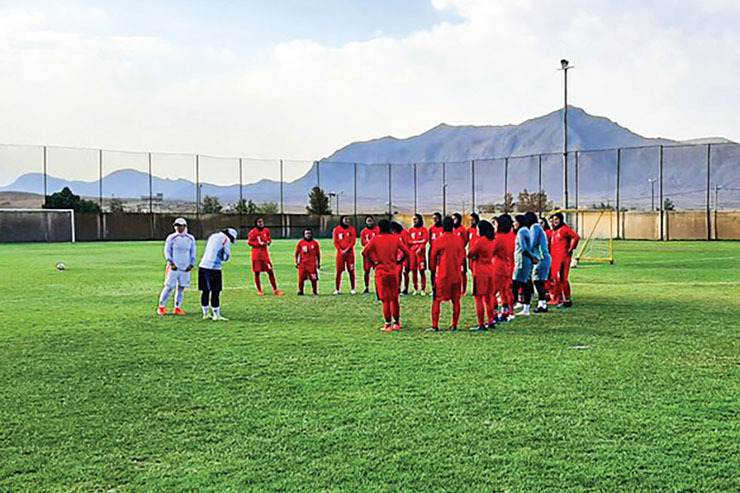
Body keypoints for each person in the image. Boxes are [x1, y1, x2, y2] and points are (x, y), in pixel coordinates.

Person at [362, 219, 410, 332]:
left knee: (385, 299)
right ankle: (397, 323)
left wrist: (374, 262)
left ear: (379, 228)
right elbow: (407, 252)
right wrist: (399, 261)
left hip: (381, 271)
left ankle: (388, 324)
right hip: (393, 270)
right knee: (394, 298)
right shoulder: (395, 239)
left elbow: (365, 252)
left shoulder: (375, 239)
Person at [427, 216, 466, 332]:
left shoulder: (439, 240)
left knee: (436, 299)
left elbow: (432, 257)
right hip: (456, 274)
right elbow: (463, 256)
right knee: (456, 300)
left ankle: (435, 325)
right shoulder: (459, 240)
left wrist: (433, 271)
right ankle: (454, 325)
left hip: (443, 275)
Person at [157, 217, 196, 315]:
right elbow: (167, 251)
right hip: (174, 267)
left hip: (185, 267)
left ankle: (177, 307)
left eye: (180, 226)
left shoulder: (190, 238)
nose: (178, 228)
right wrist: (170, 262)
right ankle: (161, 307)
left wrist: (192, 264)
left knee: (181, 287)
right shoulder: (171, 238)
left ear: (185, 226)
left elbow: (193, 252)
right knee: (169, 287)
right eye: (176, 226)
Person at [198, 227, 237, 321]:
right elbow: (226, 256)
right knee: (215, 291)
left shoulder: (213, 235)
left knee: (205, 291)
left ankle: (206, 313)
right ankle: (216, 315)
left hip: (203, 265)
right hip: (214, 268)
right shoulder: (225, 239)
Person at [468, 220, 497, 331]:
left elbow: (471, 253)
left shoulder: (480, 241)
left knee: (479, 298)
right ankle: (490, 320)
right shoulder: (492, 240)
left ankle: (481, 323)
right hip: (490, 270)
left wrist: (475, 257)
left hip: (480, 271)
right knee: (489, 298)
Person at [549, 212, 580, 307]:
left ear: (561, 220)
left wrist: (571, 248)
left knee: (562, 278)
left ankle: (566, 298)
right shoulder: (555, 230)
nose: (555, 222)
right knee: (555, 278)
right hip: (554, 257)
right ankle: (557, 298)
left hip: (563, 257)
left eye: (557, 219)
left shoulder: (564, 229)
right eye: (553, 220)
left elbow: (576, 237)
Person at [247, 218, 284, 296]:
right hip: (256, 255)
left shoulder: (266, 230)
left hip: (265, 256)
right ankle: (259, 290)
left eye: (262, 222)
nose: (261, 223)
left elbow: (269, 239)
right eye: (259, 222)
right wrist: (258, 243)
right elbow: (249, 242)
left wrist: (268, 242)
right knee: (257, 273)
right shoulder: (253, 232)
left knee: (270, 271)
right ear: (256, 223)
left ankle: (275, 289)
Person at [512, 214, 538, 316]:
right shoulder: (526, 230)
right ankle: (524, 306)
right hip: (525, 260)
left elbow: (524, 248)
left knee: (517, 283)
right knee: (525, 282)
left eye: (515, 222)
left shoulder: (522, 231)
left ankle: (513, 306)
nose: (514, 224)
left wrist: (532, 257)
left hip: (522, 261)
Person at [526, 211, 551, 313]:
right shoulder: (538, 227)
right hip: (543, 257)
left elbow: (532, 242)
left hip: (540, 258)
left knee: (538, 281)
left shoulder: (535, 227)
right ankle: (542, 303)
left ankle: (542, 304)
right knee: (539, 281)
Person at [493, 214, 516, 321]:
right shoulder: (512, 236)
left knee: (492, 291)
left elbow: (491, 251)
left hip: (498, 266)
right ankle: (508, 311)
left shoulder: (498, 238)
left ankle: (494, 313)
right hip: (509, 265)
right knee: (506, 290)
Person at [333, 215, 357, 295]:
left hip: (350, 254)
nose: (347, 221)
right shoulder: (337, 230)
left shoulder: (352, 229)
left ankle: (353, 288)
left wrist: (347, 250)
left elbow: (353, 241)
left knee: (351, 271)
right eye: (346, 219)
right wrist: (340, 250)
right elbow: (335, 242)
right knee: (339, 271)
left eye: (348, 219)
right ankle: (337, 289)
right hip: (340, 254)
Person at [295, 228, 321, 296]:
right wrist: (296, 262)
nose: (308, 235)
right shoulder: (301, 243)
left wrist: (318, 263)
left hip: (312, 264)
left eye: (309, 233)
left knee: (314, 279)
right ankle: (301, 291)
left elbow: (318, 254)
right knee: (301, 279)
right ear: (304, 234)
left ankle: (314, 292)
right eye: (306, 233)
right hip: (303, 264)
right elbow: (297, 253)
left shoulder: (315, 243)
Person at [408, 213, 429, 295]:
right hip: (412, 253)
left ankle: (423, 289)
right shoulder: (411, 230)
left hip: (421, 254)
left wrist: (420, 247)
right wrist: (417, 241)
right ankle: (415, 288)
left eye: (415, 219)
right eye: (413, 219)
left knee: (422, 271)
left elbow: (425, 240)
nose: (414, 221)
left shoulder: (423, 230)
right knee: (413, 271)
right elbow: (409, 241)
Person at [360, 216, 380, 294]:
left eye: (370, 221)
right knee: (366, 271)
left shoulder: (377, 230)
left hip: (376, 254)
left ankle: (378, 286)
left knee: (378, 271)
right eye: (368, 221)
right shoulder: (363, 232)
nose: (369, 222)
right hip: (368, 255)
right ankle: (366, 287)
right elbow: (362, 242)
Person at [391, 221, 412, 295]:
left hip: (405, 256)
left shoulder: (404, 233)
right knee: (397, 273)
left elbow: (407, 245)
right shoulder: (393, 234)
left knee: (405, 272)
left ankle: (406, 289)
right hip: (397, 257)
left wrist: (403, 255)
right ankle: (398, 288)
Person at [452, 212, 469, 295]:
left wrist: (461, 248)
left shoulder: (462, 229)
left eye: (454, 219)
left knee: (462, 273)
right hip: (453, 255)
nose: (453, 221)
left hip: (461, 255)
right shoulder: (452, 229)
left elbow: (465, 240)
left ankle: (464, 290)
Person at [540, 216, 557, 303]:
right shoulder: (541, 232)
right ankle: (547, 294)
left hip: (549, 257)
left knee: (549, 277)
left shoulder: (547, 232)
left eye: (542, 223)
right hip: (544, 258)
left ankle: (553, 295)